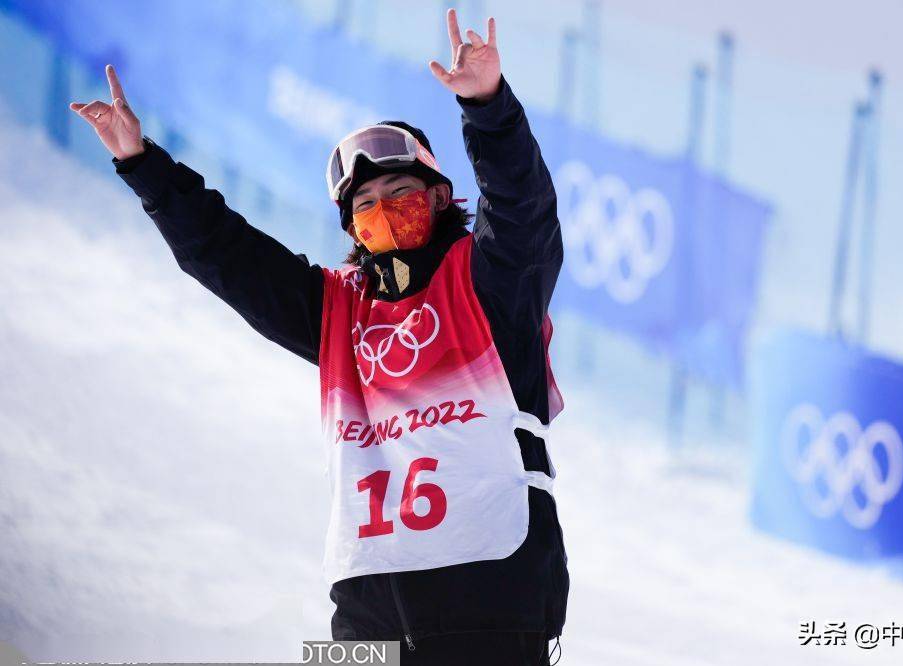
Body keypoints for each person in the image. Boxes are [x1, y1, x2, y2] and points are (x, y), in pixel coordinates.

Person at [70, 8, 567, 666]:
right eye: (364, 206)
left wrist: (488, 106)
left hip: (489, 602)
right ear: (351, 228)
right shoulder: (339, 308)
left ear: (442, 197)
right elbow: (227, 255)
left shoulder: (486, 283)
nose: (383, 211)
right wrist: (140, 163)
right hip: (361, 617)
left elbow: (524, 209)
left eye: (400, 191)